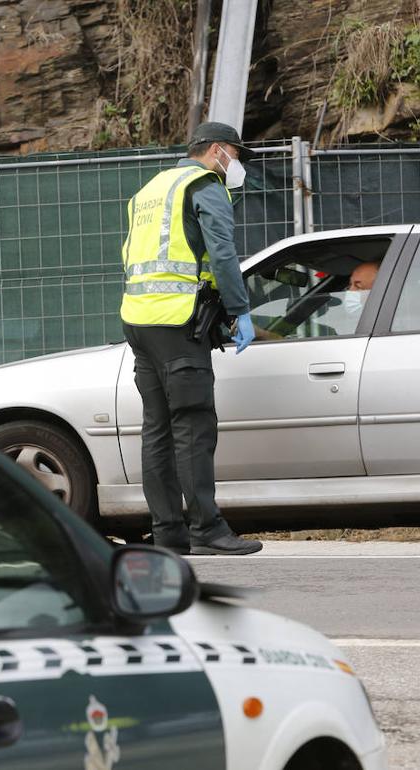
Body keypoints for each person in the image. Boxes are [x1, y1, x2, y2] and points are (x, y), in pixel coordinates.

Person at [119, 121, 263, 557]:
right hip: (179, 323)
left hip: (139, 321)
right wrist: (239, 310)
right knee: (194, 426)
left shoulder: (149, 190)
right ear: (217, 151)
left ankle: (169, 535)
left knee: (157, 432)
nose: (237, 165)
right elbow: (221, 251)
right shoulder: (205, 184)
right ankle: (208, 531)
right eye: (236, 155)